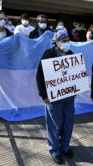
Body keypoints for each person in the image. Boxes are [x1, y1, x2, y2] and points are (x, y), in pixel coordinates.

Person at [36, 30, 75, 164]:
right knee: (54, 124)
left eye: (68, 40)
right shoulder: (49, 54)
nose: (67, 43)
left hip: (69, 96)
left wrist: (75, 89)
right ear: (57, 42)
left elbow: (75, 73)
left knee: (68, 122)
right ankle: (55, 149)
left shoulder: (71, 54)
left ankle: (65, 146)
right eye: (64, 41)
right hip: (53, 97)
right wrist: (43, 95)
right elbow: (40, 75)